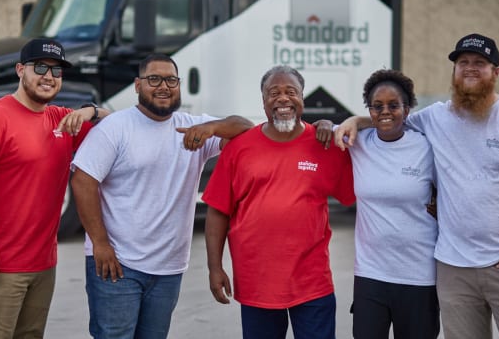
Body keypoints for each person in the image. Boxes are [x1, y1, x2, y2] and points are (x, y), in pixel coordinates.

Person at [336, 33, 499, 339]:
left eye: (479, 63)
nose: (470, 68)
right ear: (454, 72)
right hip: (454, 269)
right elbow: (389, 119)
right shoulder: (436, 118)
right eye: (463, 63)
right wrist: (354, 120)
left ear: (496, 72)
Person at [69, 53, 253, 339]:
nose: (163, 86)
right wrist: (100, 244)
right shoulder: (115, 127)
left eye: (171, 79)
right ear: (137, 85)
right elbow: (82, 181)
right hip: (117, 262)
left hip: (168, 267)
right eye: (153, 79)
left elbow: (246, 129)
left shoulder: (191, 127)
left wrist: (212, 127)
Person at [0, 38, 109, 339]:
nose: (49, 77)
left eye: (57, 71)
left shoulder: (61, 121)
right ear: (19, 70)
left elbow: (120, 124)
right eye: (40, 67)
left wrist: (90, 111)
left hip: (42, 263)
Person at [203, 65, 355, 339]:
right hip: (257, 283)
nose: (283, 98)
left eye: (291, 92)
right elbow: (217, 212)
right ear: (263, 102)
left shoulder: (326, 145)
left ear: (302, 99)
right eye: (274, 93)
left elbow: (361, 194)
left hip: (312, 283)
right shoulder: (239, 147)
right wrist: (215, 268)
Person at [345, 69, 439, 339]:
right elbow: (324, 133)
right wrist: (341, 123)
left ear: (407, 109)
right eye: (377, 106)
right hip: (371, 274)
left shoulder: (426, 147)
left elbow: (455, 186)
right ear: (369, 111)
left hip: (419, 276)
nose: (385, 112)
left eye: (393, 105)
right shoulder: (357, 143)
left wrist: (442, 209)